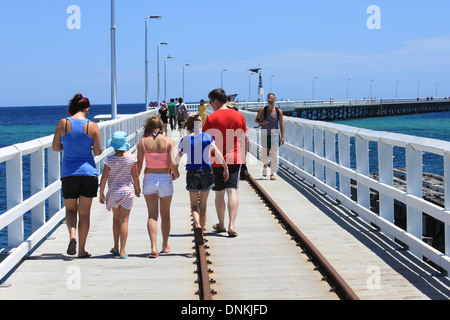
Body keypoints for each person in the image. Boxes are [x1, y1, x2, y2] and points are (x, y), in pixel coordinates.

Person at [52, 93, 102, 257]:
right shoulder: (92, 126)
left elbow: (55, 147)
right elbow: (98, 151)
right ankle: (81, 250)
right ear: (87, 108)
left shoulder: (63, 123)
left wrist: (66, 148)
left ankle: (72, 235)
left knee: (71, 210)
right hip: (88, 173)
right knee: (85, 213)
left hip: (69, 174)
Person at [177, 113, 229, 245]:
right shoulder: (207, 137)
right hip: (206, 171)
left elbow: (178, 156)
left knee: (194, 206)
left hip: (192, 172)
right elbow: (217, 152)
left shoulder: (185, 139)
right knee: (203, 205)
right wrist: (225, 167)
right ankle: (203, 231)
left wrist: (174, 170)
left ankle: (197, 225)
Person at [203, 89, 248, 237]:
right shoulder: (238, 115)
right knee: (232, 190)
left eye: (210, 102)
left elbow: (205, 141)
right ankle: (232, 226)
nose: (210, 105)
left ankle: (221, 224)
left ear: (216, 101)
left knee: (219, 194)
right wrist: (244, 159)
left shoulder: (211, 118)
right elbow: (244, 138)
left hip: (216, 159)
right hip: (234, 158)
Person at [137, 114, 180, 258]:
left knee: (152, 215)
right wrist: (176, 174)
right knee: (165, 214)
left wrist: (136, 184)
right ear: (161, 127)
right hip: (165, 179)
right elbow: (172, 164)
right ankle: (164, 245)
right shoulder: (168, 142)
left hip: (149, 178)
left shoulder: (142, 143)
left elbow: (138, 166)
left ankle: (153, 247)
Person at [99, 131, 141, 259]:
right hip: (127, 192)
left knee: (116, 219)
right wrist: (137, 189)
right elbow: (135, 176)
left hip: (113, 192)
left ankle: (116, 246)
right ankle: (123, 251)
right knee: (125, 220)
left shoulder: (109, 160)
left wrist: (101, 193)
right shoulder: (132, 158)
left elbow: (104, 178)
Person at [255, 93, 285, 180]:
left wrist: (282, 136)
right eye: (269, 99)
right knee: (266, 154)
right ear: (267, 100)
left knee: (274, 154)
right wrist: (262, 123)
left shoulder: (278, 111)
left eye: (272, 99)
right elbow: (256, 120)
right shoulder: (262, 110)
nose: (270, 101)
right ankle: (265, 166)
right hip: (265, 133)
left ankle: (272, 174)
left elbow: (281, 124)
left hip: (275, 133)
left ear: (275, 100)